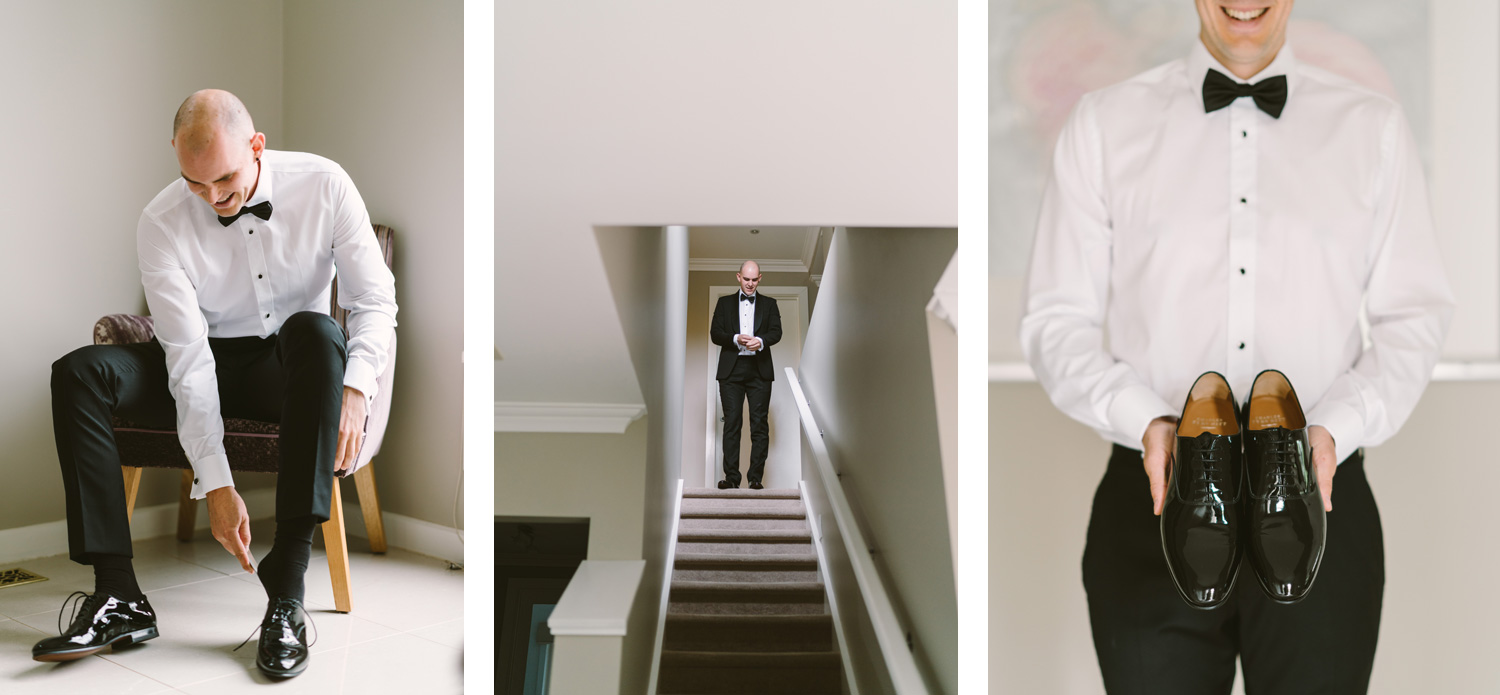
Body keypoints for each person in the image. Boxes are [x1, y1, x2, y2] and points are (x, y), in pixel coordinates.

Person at [1019, 1, 1454, 693]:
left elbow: (1415, 315)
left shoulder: (1373, 128)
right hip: (1154, 503)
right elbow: (1055, 319)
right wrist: (1147, 421)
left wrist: (1335, 427)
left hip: (1322, 503)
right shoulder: (1104, 125)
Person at [36, 89, 397, 680]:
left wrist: (358, 390)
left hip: (289, 365)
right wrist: (218, 483)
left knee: (318, 331)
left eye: (225, 180)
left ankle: (287, 594)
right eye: (196, 184)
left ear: (257, 146)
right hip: (201, 354)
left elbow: (374, 299)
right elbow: (187, 357)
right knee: (79, 373)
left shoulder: (325, 185)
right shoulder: (161, 220)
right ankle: (118, 594)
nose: (214, 199)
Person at [709, 260, 782, 490]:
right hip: (731, 370)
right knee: (732, 423)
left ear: (760, 279)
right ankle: (731, 478)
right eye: (746, 279)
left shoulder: (770, 304)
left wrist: (760, 341)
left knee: (759, 424)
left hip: (759, 371)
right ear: (738, 277)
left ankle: (755, 478)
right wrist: (735, 338)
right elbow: (715, 333)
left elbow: (776, 332)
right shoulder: (724, 303)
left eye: (754, 279)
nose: (750, 284)